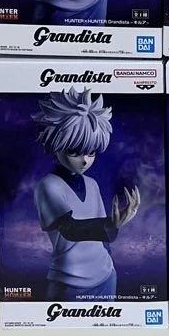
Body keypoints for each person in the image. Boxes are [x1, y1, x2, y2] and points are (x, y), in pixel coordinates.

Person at [31, 89, 140, 301]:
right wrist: (110, 223)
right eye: (74, 151)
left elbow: (106, 237)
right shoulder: (48, 186)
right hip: (68, 282)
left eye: (91, 152)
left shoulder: (92, 184)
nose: (84, 160)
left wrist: (115, 225)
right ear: (55, 145)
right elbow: (70, 229)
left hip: (106, 276)